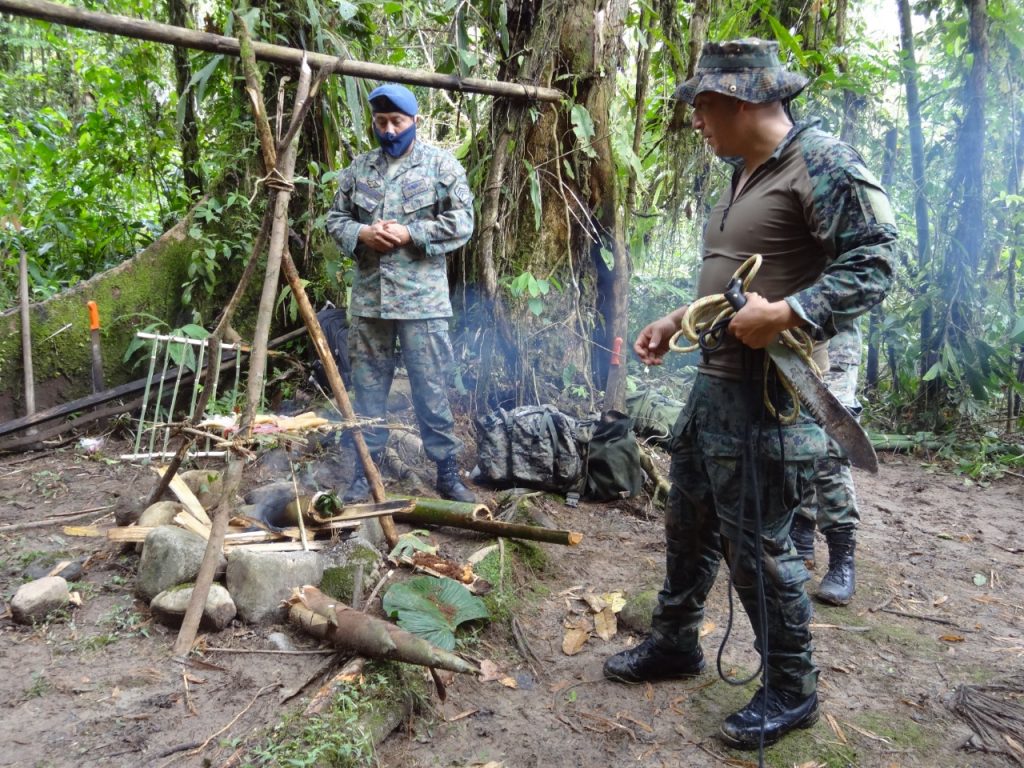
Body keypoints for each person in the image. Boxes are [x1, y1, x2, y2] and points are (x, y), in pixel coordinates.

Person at [603, 39, 896, 749]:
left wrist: (790, 314)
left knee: (759, 550)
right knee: (688, 521)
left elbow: (878, 261)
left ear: (739, 100)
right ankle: (676, 641)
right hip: (715, 386)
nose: (696, 121)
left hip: (772, 398)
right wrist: (678, 318)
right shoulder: (744, 173)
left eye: (702, 107)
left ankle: (792, 689)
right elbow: (733, 279)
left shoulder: (821, 161)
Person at [326, 83, 476, 504]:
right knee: (368, 389)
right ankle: (364, 473)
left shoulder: (440, 166)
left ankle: (447, 473)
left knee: (430, 389)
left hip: (422, 303)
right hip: (371, 302)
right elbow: (335, 219)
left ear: (415, 122)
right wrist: (361, 232)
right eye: (381, 123)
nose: (389, 131)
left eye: (397, 122)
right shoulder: (359, 169)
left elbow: (463, 222)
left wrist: (413, 232)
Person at [791, 319, 862, 606]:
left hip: (833, 335)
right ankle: (800, 536)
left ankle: (842, 558)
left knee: (829, 442)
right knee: (794, 431)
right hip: (791, 337)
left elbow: (857, 285)